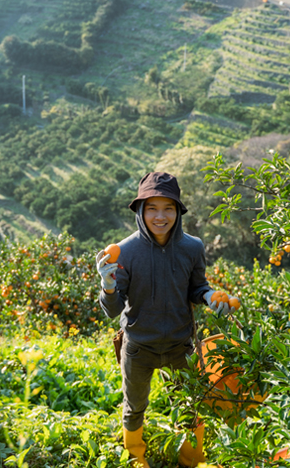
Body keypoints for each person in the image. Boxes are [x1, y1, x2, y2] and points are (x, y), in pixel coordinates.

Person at [96, 171, 239, 468]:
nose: (160, 216)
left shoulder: (192, 247)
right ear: (140, 210)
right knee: (134, 407)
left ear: (178, 211)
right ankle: (136, 456)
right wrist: (108, 286)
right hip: (138, 347)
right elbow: (112, 310)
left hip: (180, 346)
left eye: (168, 208)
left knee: (190, 407)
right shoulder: (125, 251)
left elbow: (197, 287)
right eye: (152, 208)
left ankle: (190, 459)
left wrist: (210, 297)